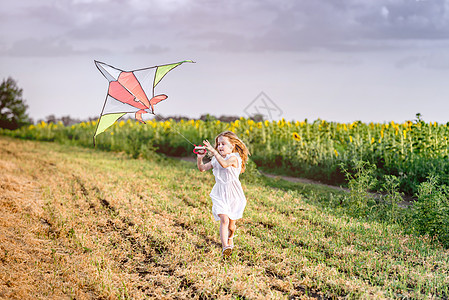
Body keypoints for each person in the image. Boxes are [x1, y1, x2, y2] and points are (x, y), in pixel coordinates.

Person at [196, 131, 250, 257]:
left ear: (232, 146)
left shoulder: (234, 158)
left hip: (234, 195)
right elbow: (202, 169)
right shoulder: (216, 159)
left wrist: (214, 152)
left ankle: (231, 238)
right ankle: (225, 247)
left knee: (232, 226)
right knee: (224, 220)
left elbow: (225, 164)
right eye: (218, 144)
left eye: (223, 144)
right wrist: (199, 159)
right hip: (220, 193)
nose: (219, 146)